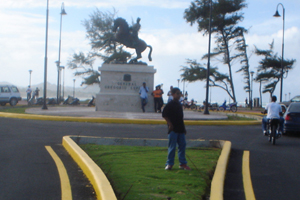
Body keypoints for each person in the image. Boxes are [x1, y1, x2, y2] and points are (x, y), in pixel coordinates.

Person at [162, 87, 191, 171]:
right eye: (177, 93)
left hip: (180, 128)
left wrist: (184, 128)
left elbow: (181, 118)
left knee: (182, 146)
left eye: (180, 93)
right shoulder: (170, 104)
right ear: (173, 94)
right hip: (173, 129)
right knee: (172, 147)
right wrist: (169, 124)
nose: (179, 95)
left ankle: (183, 163)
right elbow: (164, 115)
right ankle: (169, 164)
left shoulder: (179, 104)